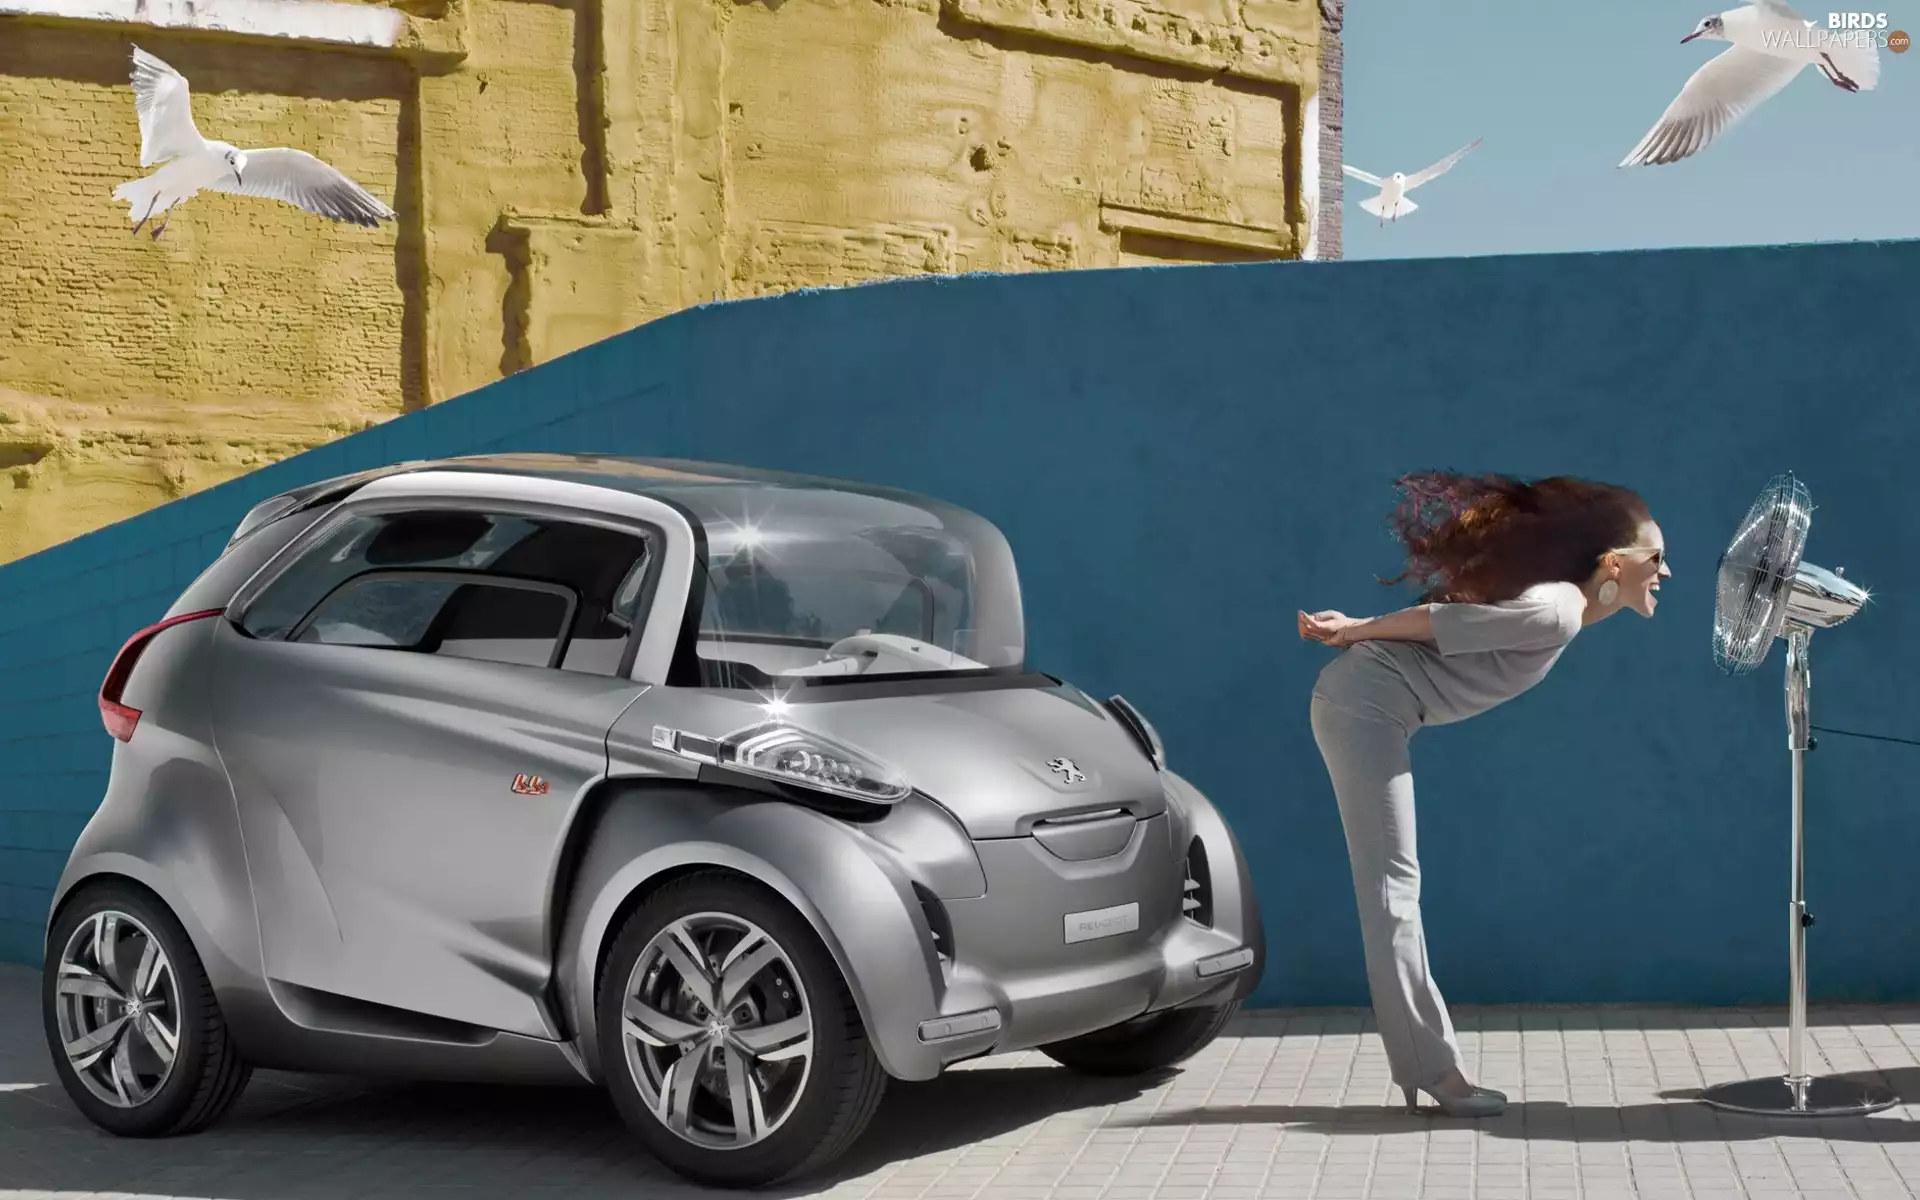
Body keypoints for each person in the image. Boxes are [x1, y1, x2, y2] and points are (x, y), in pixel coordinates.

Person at [1297, 471, 1671, 1117]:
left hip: (1378, 705)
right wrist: (1355, 628)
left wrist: (1358, 630)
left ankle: (1426, 1069)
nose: (1665, 572)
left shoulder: (1562, 609)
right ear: (1613, 562)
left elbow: (1453, 623)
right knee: (1391, 889)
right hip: (1366, 704)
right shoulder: (1558, 610)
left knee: (1395, 887)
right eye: (1656, 558)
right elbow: (1446, 622)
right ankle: (1436, 1075)